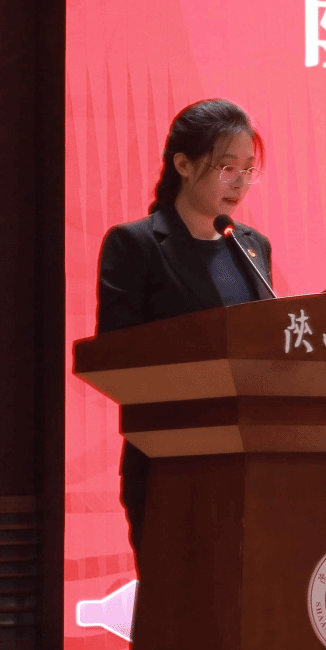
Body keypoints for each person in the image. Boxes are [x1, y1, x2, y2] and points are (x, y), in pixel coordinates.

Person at [96, 99, 272, 553]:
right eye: (227, 167)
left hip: (251, 462)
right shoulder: (135, 245)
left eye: (248, 170)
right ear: (184, 165)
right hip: (170, 460)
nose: (240, 182)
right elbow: (118, 357)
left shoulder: (251, 246)